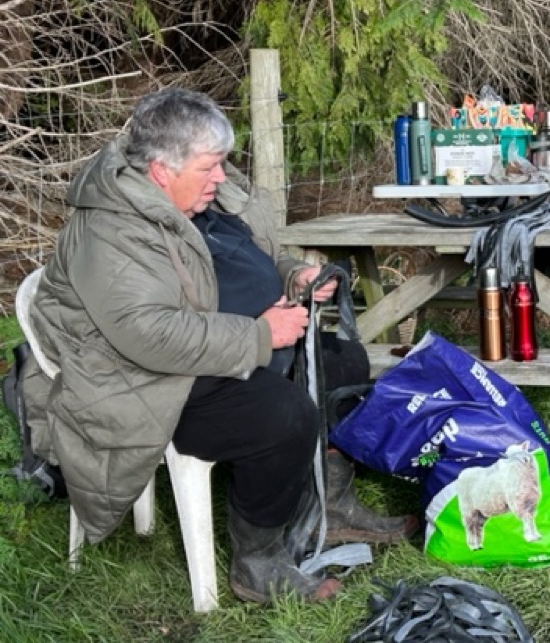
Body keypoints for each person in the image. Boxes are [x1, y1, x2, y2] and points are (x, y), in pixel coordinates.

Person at [22, 88, 417, 604]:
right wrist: (259, 335)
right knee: (282, 414)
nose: (222, 178)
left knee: (343, 363)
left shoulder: (191, 201)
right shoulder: (111, 231)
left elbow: (242, 260)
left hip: (205, 353)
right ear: (162, 169)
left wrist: (293, 276)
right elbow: (148, 333)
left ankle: (330, 505)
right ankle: (258, 560)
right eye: (210, 167)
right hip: (141, 381)